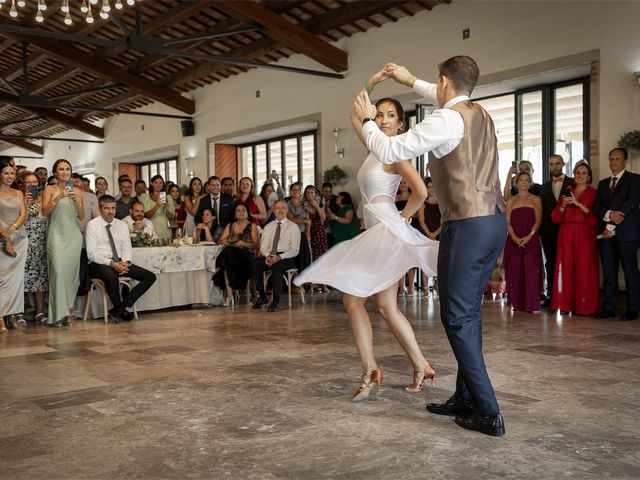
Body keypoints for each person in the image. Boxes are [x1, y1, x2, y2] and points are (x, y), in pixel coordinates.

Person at [352, 58, 507, 436]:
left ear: (444, 82)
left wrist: (368, 120)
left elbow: (391, 151)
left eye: (435, 85)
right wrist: (409, 79)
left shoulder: (444, 120)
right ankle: (466, 396)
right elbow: (438, 94)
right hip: (493, 221)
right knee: (467, 312)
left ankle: (487, 411)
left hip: (467, 224)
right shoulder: (478, 112)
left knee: (456, 316)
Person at [297, 93, 439, 402]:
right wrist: (370, 84)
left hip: (385, 236)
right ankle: (420, 365)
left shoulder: (397, 154)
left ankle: (371, 370)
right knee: (385, 307)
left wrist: (400, 218)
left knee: (353, 302)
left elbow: (420, 191)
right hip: (375, 236)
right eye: (380, 115)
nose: (384, 120)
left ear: (401, 124)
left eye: (391, 116)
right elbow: (353, 113)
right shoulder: (374, 147)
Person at [86, 195, 157, 322]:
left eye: (113, 208)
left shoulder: (121, 225)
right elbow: (91, 254)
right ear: (100, 209)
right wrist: (113, 264)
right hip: (100, 263)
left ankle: (120, 308)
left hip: (120, 261)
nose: (111, 211)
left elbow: (127, 248)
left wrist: (126, 262)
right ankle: (120, 311)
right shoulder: (92, 225)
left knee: (150, 277)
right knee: (111, 276)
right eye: (107, 208)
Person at [593, 147, 640, 321]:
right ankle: (609, 307)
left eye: (617, 159)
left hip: (626, 233)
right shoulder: (603, 183)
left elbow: (631, 204)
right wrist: (608, 215)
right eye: (611, 159)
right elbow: (597, 207)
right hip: (606, 236)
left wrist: (610, 224)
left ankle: (633, 308)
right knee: (609, 272)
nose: (614, 162)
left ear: (625, 161)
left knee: (630, 271)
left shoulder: (635, 180)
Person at [550, 161, 598, 316]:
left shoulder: (594, 193)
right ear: (574, 175)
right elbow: (555, 218)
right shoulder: (567, 191)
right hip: (566, 234)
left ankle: (584, 307)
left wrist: (578, 204)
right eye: (578, 173)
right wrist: (563, 205)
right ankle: (565, 305)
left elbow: (595, 220)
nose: (580, 176)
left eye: (584, 173)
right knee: (566, 268)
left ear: (589, 177)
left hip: (585, 234)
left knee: (584, 269)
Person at [42, 159, 84, 327]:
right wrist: (59, 197)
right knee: (58, 273)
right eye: (61, 169)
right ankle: (56, 313)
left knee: (70, 276)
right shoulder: (49, 189)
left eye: (68, 169)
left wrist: (78, 201)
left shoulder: (78, 190)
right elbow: (44, 212)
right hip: (56, 236)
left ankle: (68, 311)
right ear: (55, 173)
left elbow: (81, 217)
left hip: (73, 237)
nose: (65, 172)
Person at [504, 172, 543, 313]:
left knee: (531, 272)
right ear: (516, 182)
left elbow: (538, 220)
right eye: (521, 180)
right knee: (515, 272)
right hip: (513, 240)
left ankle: (532, 304)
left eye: (527, 180)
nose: (524, 183)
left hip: (530, 240)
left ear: (530, 182)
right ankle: (518, 304)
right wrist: (514, 237)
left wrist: (529, 236)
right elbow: (507, 222)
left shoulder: (536, 199)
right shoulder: (511, 201)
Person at [252, 200, 300, 312]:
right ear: (273, 210)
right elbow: (263, 246)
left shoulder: (293, 227)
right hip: (270, 254)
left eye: (283, 208)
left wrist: (279, 257)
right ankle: (263, 296)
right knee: (256, 264)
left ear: (287, 210)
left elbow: (294, 249)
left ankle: (276, 301)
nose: (280, 210)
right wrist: (268, 256)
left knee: (277, 267)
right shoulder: (268, 227)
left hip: (287, 256)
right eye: (277, 208)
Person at [539, 155, 573, 307]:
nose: (554, 167)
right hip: (548, 232)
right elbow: (542, 211)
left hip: (568, 230)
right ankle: (552, 297)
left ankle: (570, 298)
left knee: (569, 264)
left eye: (557, 163)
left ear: (563, 164)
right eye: (551, 164)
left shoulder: (573, 183)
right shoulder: (543, 187)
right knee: (550, 264)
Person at [0, 157, 28, 333]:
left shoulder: (18, 193)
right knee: (2, 279)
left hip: (20, 239)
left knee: (16, 281)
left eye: (12, 173)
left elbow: (23, 214)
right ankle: (0, 318)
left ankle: (11, 313)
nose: (10, 176)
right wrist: (5, 236)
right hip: (1, 238)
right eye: (6, 173)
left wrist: (12, 229)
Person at [214, 204, 260, 306]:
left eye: (243, 210)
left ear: (247, 214)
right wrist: (224, 241)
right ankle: (230, 296)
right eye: (238, 210)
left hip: (246, 257)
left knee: (226, 260)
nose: (240, 212)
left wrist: (243, 244)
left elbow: (257, 246)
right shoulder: (230, 225)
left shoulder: (252, 226)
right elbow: (220, 240)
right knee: (229, 259)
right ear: (235, 214)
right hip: (231, 257)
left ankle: (229, 297)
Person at [19, 171, 49, 324]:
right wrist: (27, 204)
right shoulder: (18, 198)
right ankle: (18, 312)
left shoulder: (43, 198)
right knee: (21, 278)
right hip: (23, 242)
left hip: (40, 243)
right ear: (23, 185)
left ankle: (39, 311)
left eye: (35, 182)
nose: (33, 185)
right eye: (29, 182)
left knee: (41, 277)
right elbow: (17, 221)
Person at [417, 177, 441, 294]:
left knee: (439, 261)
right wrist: (429, 234)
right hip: (425, 235)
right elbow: (421, 221)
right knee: (425, 261)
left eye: (433, 186)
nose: (431, 189)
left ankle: (438, 287)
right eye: (428, 187)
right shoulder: (423, 203)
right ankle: (426, 291)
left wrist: (436, 233)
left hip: (439, 234)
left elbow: (444, 219)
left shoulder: (442, 203)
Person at [304, 185, 329, 291]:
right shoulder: (304, 205)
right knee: (312, 258)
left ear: (315, 194)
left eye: (312, 193)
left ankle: (323, 283)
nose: (310, 195)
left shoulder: (320, 203)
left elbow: (323, 217)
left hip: (320, 232)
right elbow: (307, 223)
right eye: (308, 193)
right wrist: (308, 236)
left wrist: (316, 206)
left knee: (322, 258)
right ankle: (312, 283)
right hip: (311, 233)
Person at [139, 174, 175, 242]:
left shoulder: (168, 197)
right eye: (156, 182)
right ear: (152, 184)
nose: (159, 184)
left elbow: (171, 217)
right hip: (151, 230)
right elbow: (146, 216)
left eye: (161, 182)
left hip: (165, 230)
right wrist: (158, 205)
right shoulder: (146, 197)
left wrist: (166, 209)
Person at [287, 182, 312, 273]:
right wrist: (305, 221)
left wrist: (308, 234)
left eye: (298, 190)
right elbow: (291, 220)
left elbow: (309, 220)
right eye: (294, 189)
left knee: (305, 258)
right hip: (293, 234)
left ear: (300, 191)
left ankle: (305, 282)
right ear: (290, 192)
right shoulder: (288, 205)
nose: (296, 191)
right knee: (297, 258)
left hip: (303, 233)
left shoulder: (305, 204)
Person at [321, 182, 340, 247]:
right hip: (320, 228)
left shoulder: (336, 199)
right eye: (326, 191)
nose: (328, 194)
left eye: (330, 191)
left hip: (332, 228)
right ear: (322, 191)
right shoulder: (317, 199)